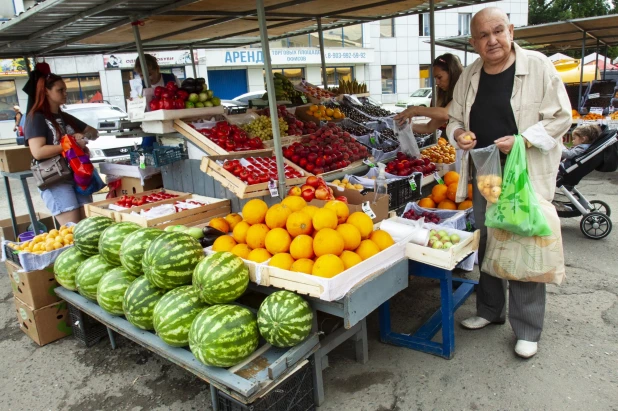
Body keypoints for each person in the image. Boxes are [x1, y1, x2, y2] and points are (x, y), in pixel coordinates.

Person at [447, 8, 571, 359]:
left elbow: (561, 117)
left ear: (511, 31)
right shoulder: (470, 74)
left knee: (523, 241)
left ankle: (527, 328)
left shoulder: (538, 66)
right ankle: (489, 310)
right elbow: (455, 117)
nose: (492, 41)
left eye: (498, 31)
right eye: (483, 36)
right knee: (488, 241)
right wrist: (458, 133)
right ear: (474, 43)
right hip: (485, 170)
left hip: (524, 172)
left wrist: (523, 141)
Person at [24, 73, 99, 225]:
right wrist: (69, 145)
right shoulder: (36, 118)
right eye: (60, 90)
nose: (65, 93)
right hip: (55, 179)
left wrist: (82, 136)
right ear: (46, 91)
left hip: (77, 176)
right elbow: (38, 152)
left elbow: (94, 132)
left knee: (88, 226)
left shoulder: (65, 117)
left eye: (65, 90)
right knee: (71, 230)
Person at [394, 53, 463, 134]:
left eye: (439, 77)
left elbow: (445, 113)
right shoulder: (448, 96)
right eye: (435, 78)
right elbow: (429, 127)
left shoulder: (464, 89)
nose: (437, 82)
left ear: (452, 73)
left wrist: (415, 110)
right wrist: (403, 125)